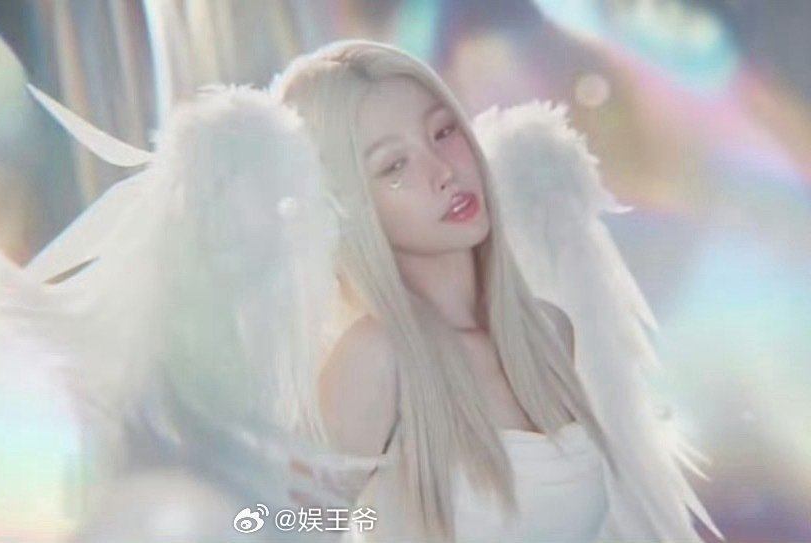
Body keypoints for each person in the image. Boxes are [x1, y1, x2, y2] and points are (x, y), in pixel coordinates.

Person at [270, 39, 720, 542]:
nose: (443, 171)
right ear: (348, 205)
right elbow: (277, 525)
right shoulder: (377, 358)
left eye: (443, 132)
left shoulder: (549, 332)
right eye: (394, 165)